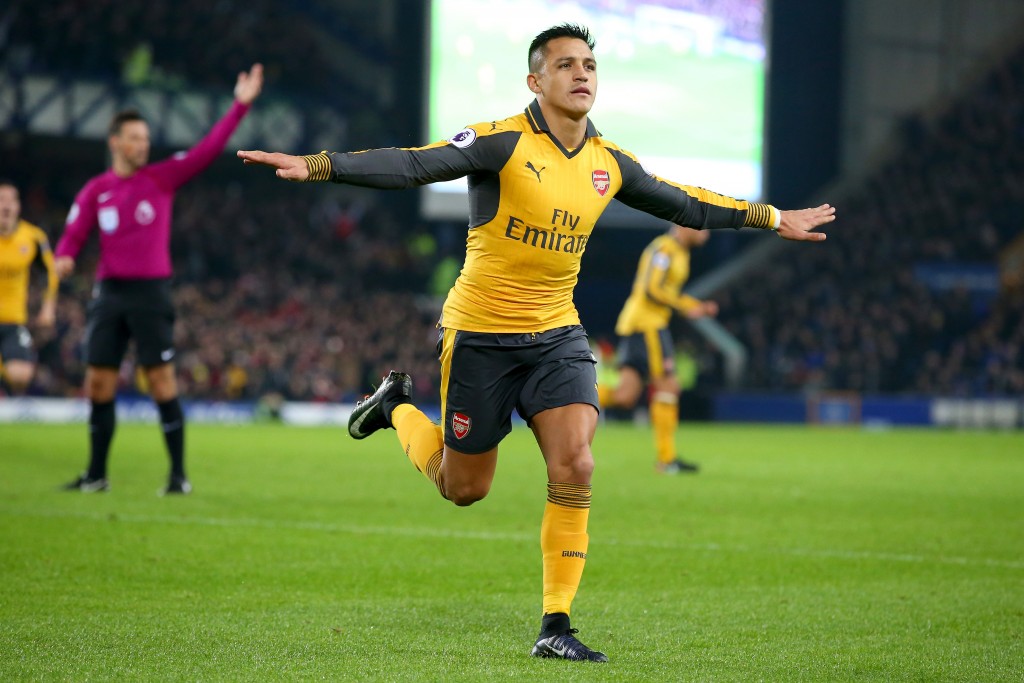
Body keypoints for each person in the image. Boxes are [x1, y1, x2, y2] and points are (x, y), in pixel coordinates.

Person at [238, 23, 834, 662]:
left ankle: (557, 625)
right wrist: (320, 165)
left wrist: (771, 217)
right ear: (536, 80)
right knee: (463, 487)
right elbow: (415, 164)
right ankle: (395, 409)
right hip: (480, 339)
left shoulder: (609, 163)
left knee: (576, 465)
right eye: (566, 65)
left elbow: (684, 202)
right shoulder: (500, 142)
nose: (582, 75)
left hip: (557, 336)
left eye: (590, 66)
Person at [55, 64, 264, 495]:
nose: (143, 145)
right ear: (115, 142)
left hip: (151, 294)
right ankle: (96, 475)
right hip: (110, 293)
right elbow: (74, 232)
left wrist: (239, 106)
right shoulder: (98, 190)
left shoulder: (161, 179)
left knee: (161, 382)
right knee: (98, 383)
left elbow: (207, 149)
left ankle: (178, 477)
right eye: (135, 138)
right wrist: (63, 258)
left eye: (146, 139)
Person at [599, 224, 717, 474]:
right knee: (668, 386)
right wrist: (685, 306)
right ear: (683, 226)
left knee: (625, 396)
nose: (706, 232)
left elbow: (663, 290)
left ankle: (569, 395)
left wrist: (692, 305)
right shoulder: (664, 249)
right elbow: (652, 289)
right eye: (702, 227)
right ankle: (666, 460)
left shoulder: (678, 251)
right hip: (648, 324)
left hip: (640, 324)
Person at [0, 181, 58, 394]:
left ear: (18, 206)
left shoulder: (32, 237)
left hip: (13, 320)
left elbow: (49, 274)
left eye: (11, 200)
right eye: (1, 200)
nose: (5, 206)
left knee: (21, 376)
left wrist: (48, 307)